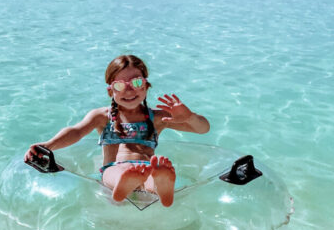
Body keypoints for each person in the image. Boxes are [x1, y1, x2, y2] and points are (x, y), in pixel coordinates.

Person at [24, 54, 210, 207]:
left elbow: (202, 129)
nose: (129, 91)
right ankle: (129, 184)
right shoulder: (103, 116)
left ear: (146, 86)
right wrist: (48, 145)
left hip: (146, 170)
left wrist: (189, 116)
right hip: (114, 170)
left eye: (136, 83)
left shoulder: (158, 117)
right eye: (120, 85)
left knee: (152, 175)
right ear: (110, 90)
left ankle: (162, 187)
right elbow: (76, 131)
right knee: (117, 173)